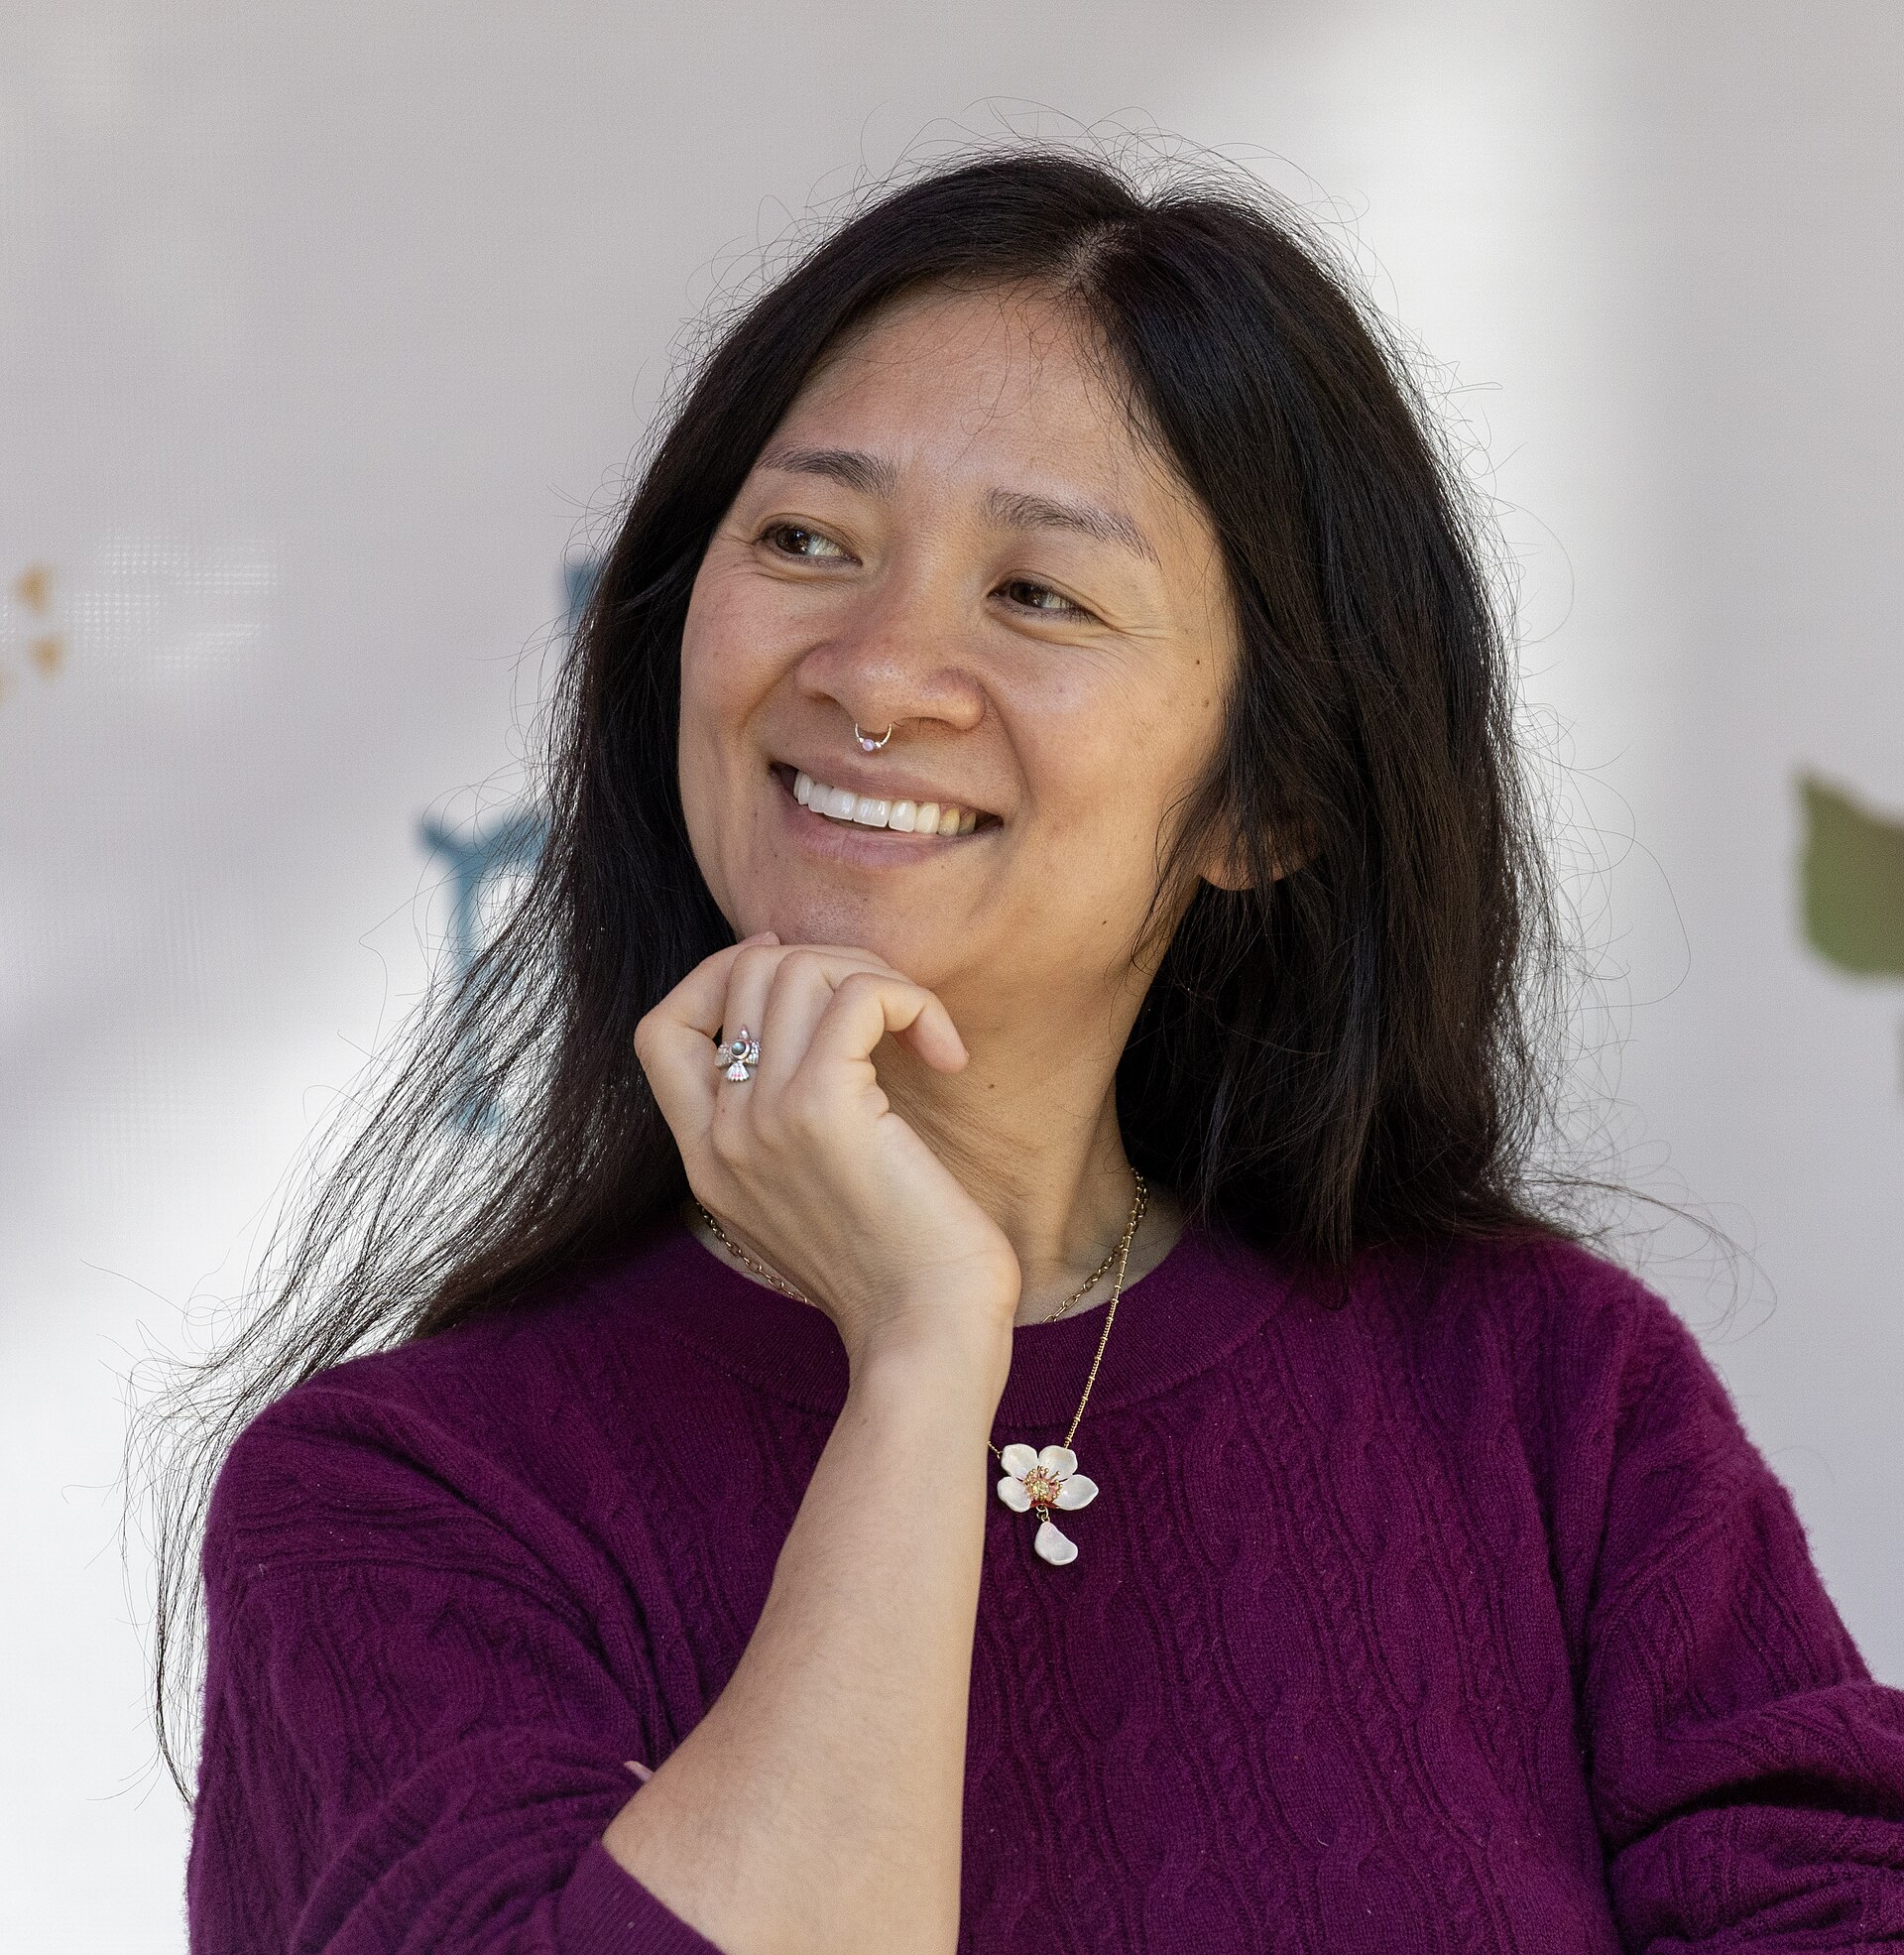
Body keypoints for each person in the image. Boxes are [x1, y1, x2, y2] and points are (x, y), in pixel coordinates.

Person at [176, 150, 1904, 1954]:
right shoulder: (396, 1506)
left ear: (1266, 802)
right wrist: (927, 1349)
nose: (876, 672)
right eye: (806, 544)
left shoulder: (1547, 1399)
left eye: (1038, 595)